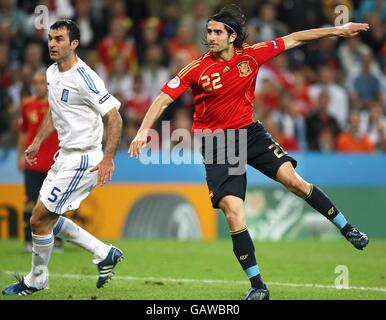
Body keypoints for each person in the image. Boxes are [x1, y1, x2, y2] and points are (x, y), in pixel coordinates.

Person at [129, 5, 370, 300]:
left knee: (294, 182)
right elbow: (164, 98)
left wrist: (336, 30)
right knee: (233, 213)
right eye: (209, 31)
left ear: (232, 36)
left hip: (250, 133)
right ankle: (258, 286)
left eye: (218, 32)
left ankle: (348, 229)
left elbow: (294, 38)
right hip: (218, 143)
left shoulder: (251, 56)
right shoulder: (197, 68)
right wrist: (143, 130)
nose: (211, 37)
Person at [3, 20, 123, 296]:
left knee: (38, 219)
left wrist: (108, 158)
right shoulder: (51, 73)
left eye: (59, 39)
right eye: (50, 38)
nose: (52, 44)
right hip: (64, 157)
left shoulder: (86, 77)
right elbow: (53, 111)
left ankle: (37, 279)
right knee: (44, 218)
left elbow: (113, 116)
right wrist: (36, 141)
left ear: (74, 44)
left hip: (84, 159)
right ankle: (103, 252)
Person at [17, 69, 63, 253]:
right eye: (35, 83)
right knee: (30, 200)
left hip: (55, 160)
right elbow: (23, 132)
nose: (38, 86)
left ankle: (57, 240)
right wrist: (20, 155)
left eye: (41, 82)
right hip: (34, 162)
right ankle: (29, 240)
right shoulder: (27, 105)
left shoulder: (59, 104)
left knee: (56, 200)